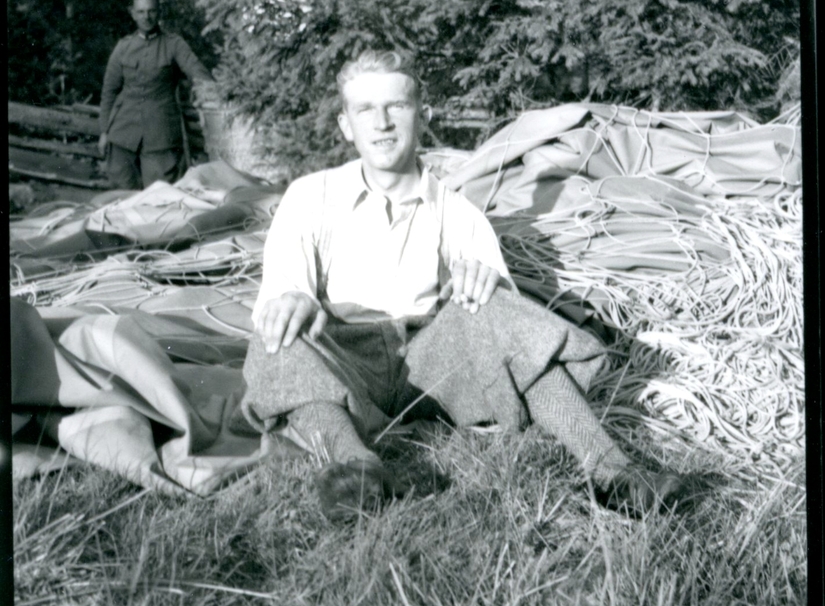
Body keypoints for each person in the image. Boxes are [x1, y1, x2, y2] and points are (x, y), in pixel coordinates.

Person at [242, 49, 686, 519]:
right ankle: (360, 471)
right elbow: (283, 288)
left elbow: (508, 327)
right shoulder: (310, 196)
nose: (382, 123)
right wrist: (293, 299)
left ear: (424, 116)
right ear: (346, 125)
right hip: (347, 358)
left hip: (429, 362)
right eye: (365, 110)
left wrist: (481, 281)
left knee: (497, 313)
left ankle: (614, 473)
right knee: (278, 336)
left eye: (397, 106)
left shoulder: (456, 211)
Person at [99, 0, 214, 189]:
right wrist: (104, 132)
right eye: (141, 12)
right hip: (122, 136)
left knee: (159, 197)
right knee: (122, 198)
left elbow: (198, 73)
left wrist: (214, 94)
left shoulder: (174, 44)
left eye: (151, 11)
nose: (147, 17)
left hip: (161, 138)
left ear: (159, 12)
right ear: (132, 13)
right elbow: (109, 92)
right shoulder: (123, 47)